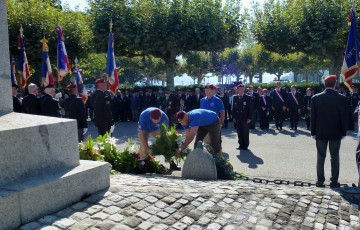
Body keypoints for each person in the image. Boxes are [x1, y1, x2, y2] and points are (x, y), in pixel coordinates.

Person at [311, 75, 348, 188]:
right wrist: (343, 132)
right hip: (335, 132)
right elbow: (344, 117)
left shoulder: (315, 98)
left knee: (320, 157)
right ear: (335, 84)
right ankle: (334, 181)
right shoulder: (341, 98)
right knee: (335, 156)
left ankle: (320, 181)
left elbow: (313, 117)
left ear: (324, 84)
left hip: (320, 132)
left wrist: (313, 132)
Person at [232, 84, 253, 150]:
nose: (240, 90)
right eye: (239, 89)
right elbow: (234, 108)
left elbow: (251, 108)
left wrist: (250, 118)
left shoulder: (248, 97)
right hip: (238, 118)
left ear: (244, 89)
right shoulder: (235, 97)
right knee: (239, 132)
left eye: (242, 89)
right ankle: (241, 144)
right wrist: (234, 117)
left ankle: (245, 145)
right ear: (237, 90)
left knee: (245, 132)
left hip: (245, 118)